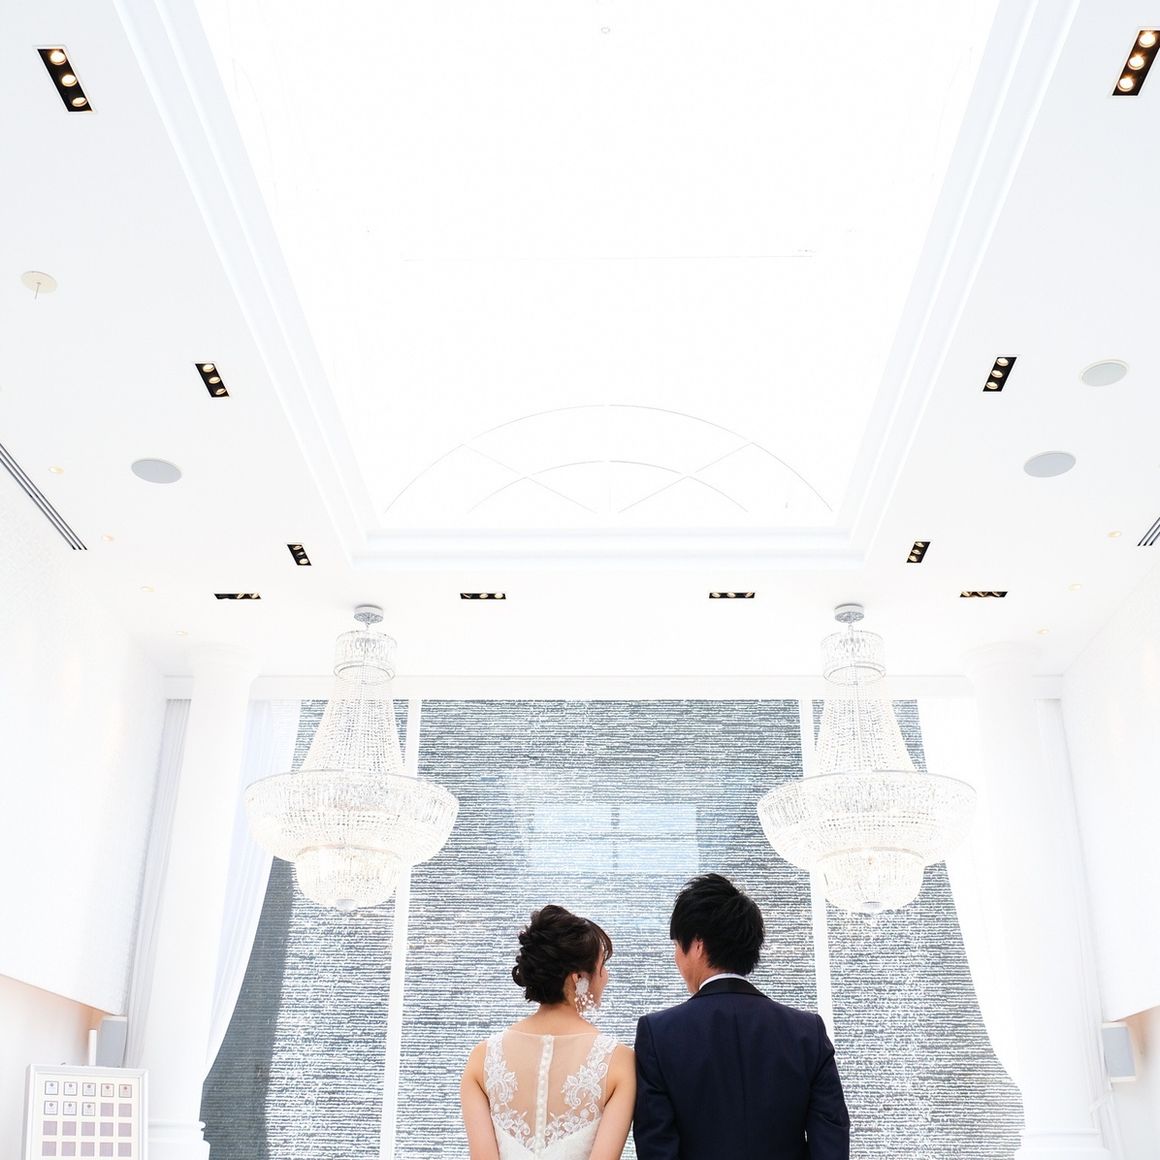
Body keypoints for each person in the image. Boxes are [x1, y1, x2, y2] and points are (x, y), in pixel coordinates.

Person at [634, 874, 850, 1160]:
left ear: (697, 945)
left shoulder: (658, 1034)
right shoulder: (808, 1033)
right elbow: (831, 1147)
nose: (676, 957)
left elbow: (656, 1150)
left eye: (676, 944)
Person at [461, 905, 636, 1160]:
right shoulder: (619, 1061)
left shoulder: (482, 1058)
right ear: (578, 978)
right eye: (602, 966)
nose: (606, 977)